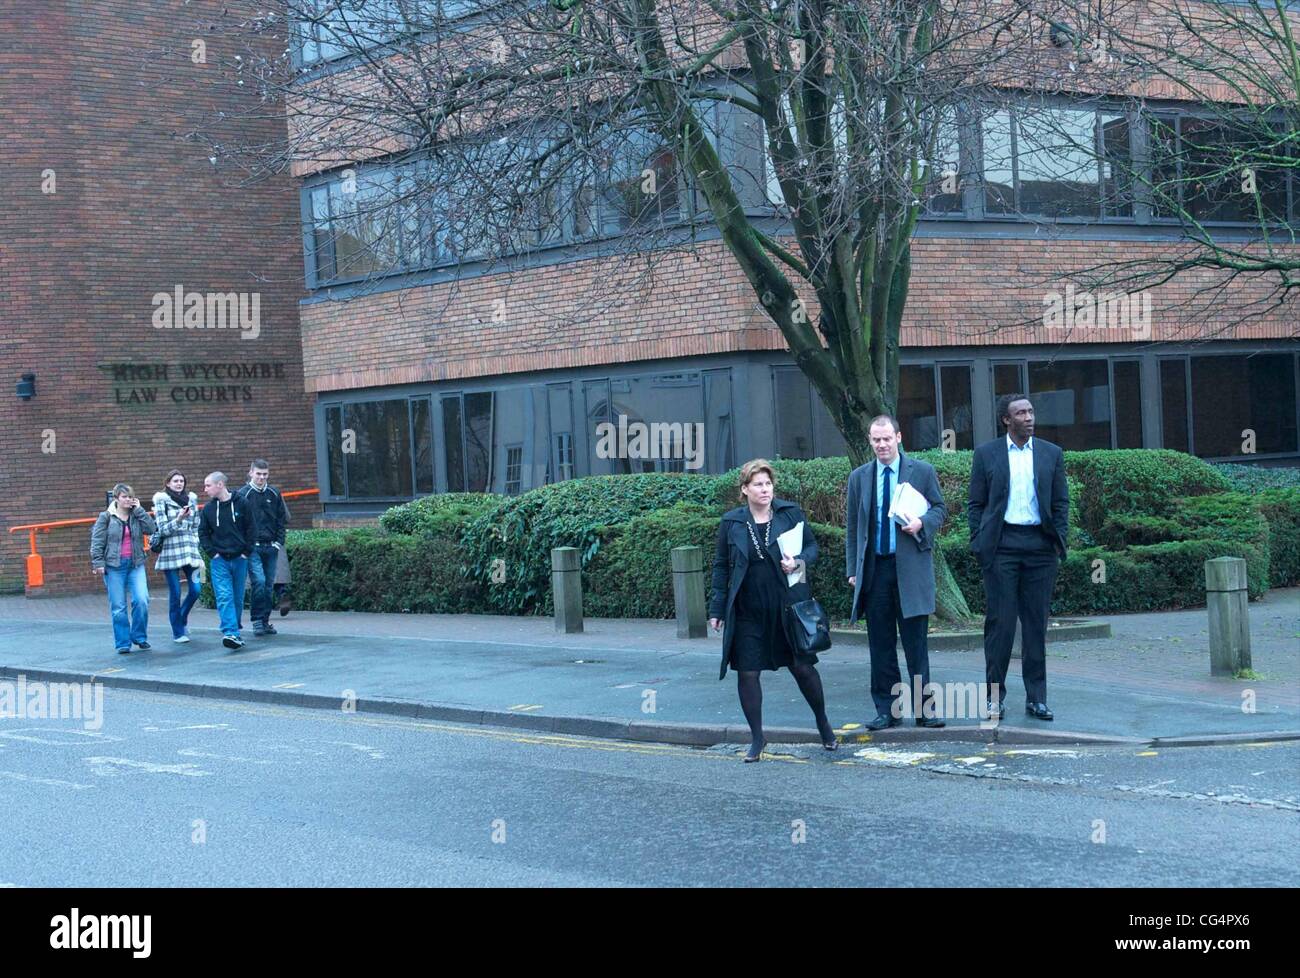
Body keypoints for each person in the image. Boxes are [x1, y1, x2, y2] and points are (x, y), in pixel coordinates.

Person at [708, 459, 836, 762]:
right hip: (748, 610)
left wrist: (798, 562)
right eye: (758, 485)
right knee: (747, 673)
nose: (764, 489)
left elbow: (813, 548)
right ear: (744, 489)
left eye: (768, 484)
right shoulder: (732, 522)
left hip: (787, 605)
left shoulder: (789, 513)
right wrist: (716, 609)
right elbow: (719, 567)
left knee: (802, 668)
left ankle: (823, 724)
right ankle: (757, 738)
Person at [968, 393, 1069, 721]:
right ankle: (993, 698)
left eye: (1030, 411)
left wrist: (1058, 541)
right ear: (1006, 420)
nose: (1029, 417)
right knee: (1000, 625)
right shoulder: (986, 454)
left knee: (1036, 625)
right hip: (1002, 548)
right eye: (1021, 413)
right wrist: (979, 541)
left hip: (1040, 548)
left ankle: (1036, 698)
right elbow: (976, 504)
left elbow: (1060, 502)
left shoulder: (1051, 453)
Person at [845, 415, 949, 730]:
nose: (881, 445)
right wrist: (853, 569)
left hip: (911, 569)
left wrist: (923, 524)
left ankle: (925, 711)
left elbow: (939, 509)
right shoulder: (859, 477)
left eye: (887, 439)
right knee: (880, 644)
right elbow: (853, 527)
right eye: (876, 440)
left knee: (916, 643)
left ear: (899, 437)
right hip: (875, 569)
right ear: (870, 442)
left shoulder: (922, 471)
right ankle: (887, 710)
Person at [89, 483, 157, 654]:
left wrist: (140, 510)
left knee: (142, 600)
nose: (128, 500)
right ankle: (123, 643)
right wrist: (98, 563)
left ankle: (139, 636)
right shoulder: (106, 517)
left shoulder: (136, 515)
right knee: (118, 607)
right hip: (114, 566)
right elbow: (97, 541)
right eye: (124, 497)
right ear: (117, 498)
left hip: (135, 564)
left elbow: (151, 529)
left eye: (130, 496)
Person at [198, 471, 258, 650]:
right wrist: (212, 553)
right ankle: (230, 632)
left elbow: (251, 528)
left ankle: (234, 630)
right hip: (219, 561)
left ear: (220, 485)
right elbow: (203, 532)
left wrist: (246, 552)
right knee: (224, 596)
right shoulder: (209, 509)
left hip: (240, 558)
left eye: (208, 485)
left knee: (237, 597)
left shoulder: (242, 503)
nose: (205, 489)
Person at [235, 458, 290, 636]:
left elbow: (281, 519)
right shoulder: (243, 494)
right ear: (251, 472)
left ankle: (265, 621)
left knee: (267, 585)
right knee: (258, 582)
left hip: (271, 546)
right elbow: (238, 522)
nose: (261, 478)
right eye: (258, 474)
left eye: (265, 474)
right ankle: (257, 621)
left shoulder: (274, 493)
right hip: (253, 548)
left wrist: (278, 542)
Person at [151, 469, 203, 644]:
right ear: (167, 483)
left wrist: (195, 542)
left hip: (190, 550)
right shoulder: (161, 500)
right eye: (175, 481)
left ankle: (181, 617)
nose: (179, 483)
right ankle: (178, 631)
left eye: (181, 480)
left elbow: (197, 525)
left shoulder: (192, 500)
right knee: (175, 592)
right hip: (170, 551)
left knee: (197, 589)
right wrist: (179, 519)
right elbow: (162, 528)